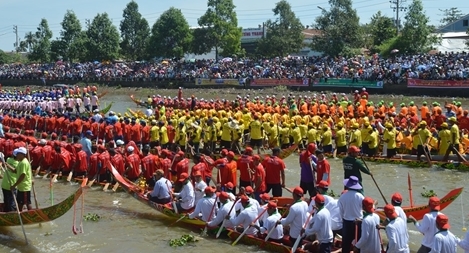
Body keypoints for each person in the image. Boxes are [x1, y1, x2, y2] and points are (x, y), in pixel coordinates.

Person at [338, 176, 364, 253]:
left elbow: (341, 211)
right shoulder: (360, 196)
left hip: (347, 221)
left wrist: (343, 219)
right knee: (358, 243)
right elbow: (364, 208)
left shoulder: (343, 196)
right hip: (358, 222)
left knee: (346, 243)